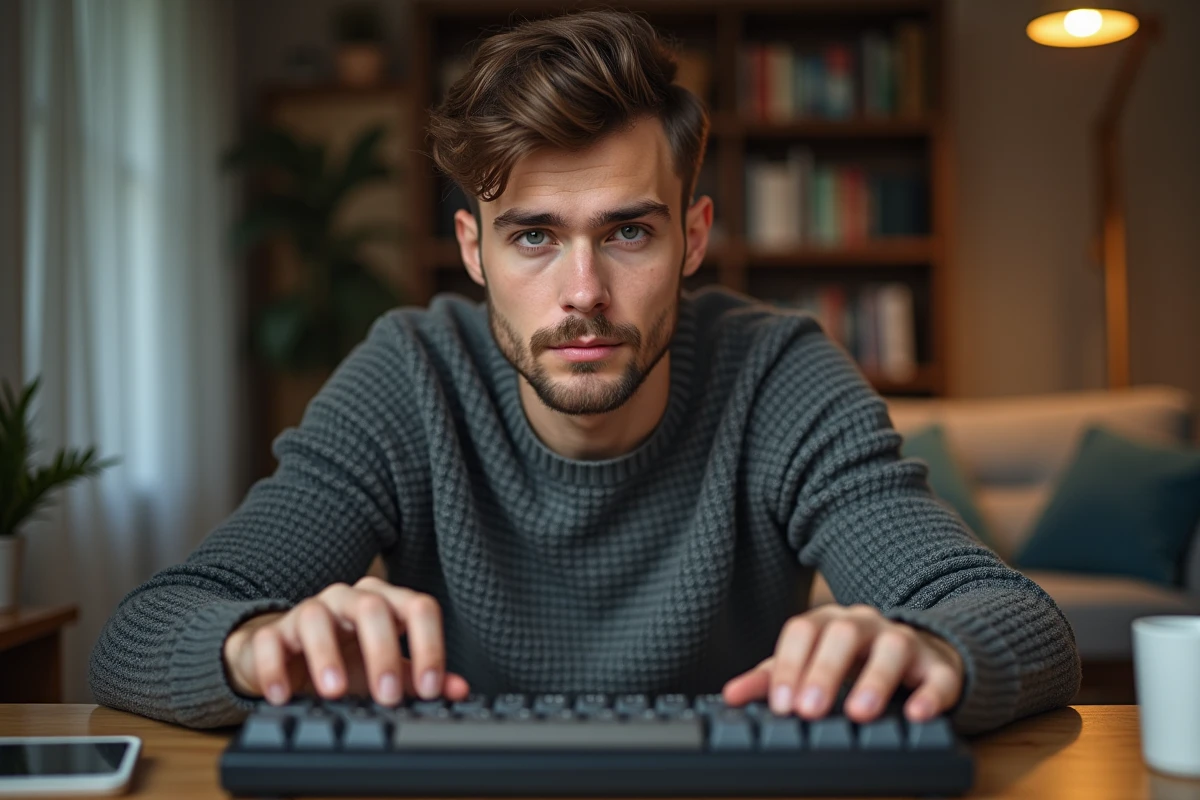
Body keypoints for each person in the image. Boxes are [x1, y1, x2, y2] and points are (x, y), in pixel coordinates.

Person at [89, 10, 1080, 734]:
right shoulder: (411, 374)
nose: (584, 291)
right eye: (533, 237)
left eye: (628, 232)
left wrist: (937, 649)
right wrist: (254, 643)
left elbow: (1021, 622)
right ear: (473, 251)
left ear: (692, 236)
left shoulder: (777, 374)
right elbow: (142, 629)